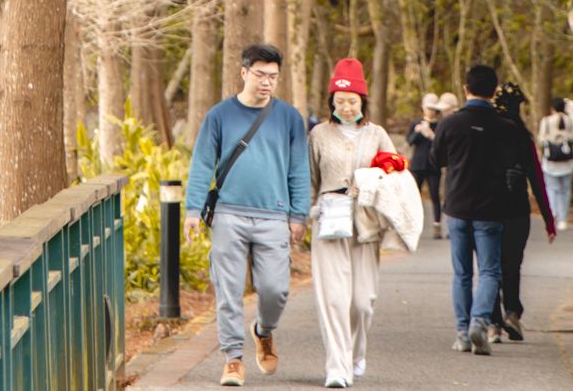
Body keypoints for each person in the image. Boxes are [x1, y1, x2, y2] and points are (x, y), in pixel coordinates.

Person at [184, 43, 312, 387]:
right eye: (260, 75)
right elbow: (201, 165)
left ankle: (264, 330)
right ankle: (233, 358)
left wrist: (299, 214)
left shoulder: (289, 118)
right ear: (244, 73)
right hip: (228, 214)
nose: (267, 82)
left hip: (274, 215)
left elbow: (299, 169)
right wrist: (193, 209)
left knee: (275, 289)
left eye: (273, 76)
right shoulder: (219, 116)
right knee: (228, 289)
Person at [432, 64, 553, 356]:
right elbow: (524, 169)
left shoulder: (450, 124)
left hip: (457, 207)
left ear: (465, 89)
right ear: (494, 91)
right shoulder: (507, 128)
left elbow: (437, 160)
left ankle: (462, 333)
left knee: (461, 273)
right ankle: (480, 320)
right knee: (489, 271)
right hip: (491, 210)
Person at [307, 58, 396, 389]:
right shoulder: (318, 134)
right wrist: (308, 212)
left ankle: (356, 353)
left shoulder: (377, 135)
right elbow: (309, 179)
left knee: (362, 301)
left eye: (352, 101)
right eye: (339, 101)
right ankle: (337, 366)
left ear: (363, 101)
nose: (345, 107)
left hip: (366, 223)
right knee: (333, 297)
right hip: (329, 221)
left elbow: (395, 173)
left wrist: (372, 180)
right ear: (331, 101)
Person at [489, 82, 558, 343]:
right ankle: (512, 312)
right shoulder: (522, 136)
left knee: (490, 266)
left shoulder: (485, 134)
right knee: (512, 264)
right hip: (517, 210)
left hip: (488, 209)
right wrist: (548, 219)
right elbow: (537, 179)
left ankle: (494, 322)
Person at [537, 96, 573, 231]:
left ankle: (553, 211)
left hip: (550, 162)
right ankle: (563, 219)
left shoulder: (546, 121)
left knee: (552, 188)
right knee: (565, 190)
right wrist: (568, 102)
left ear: (552, 109)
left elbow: (541, 140)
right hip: (567, 163)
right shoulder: (570, 121)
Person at [405, 93, 445, 240]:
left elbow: (442, 144)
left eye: (433, 108)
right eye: (428, 107)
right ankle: (411, 226)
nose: (430, 111)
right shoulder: (416, 123)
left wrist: (430, 134)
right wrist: (417, 132)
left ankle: (437, 225)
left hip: (433, 165)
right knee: (414, 196)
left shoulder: (440, 125)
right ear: (423, 107)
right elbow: (409, 141)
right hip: (417, 165)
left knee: (435, 195)